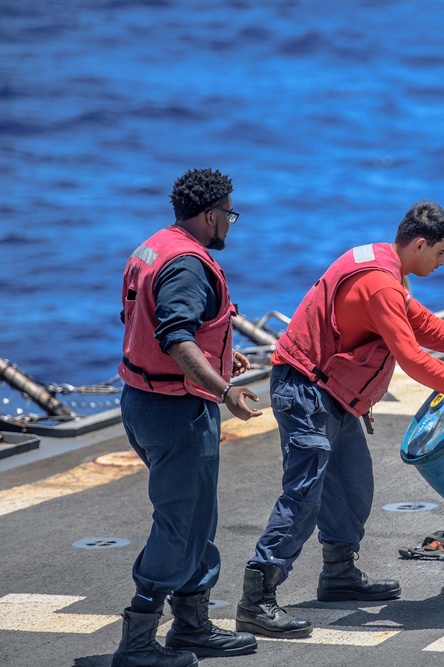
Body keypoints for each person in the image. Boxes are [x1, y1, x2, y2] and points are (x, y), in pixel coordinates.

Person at [236, 201, 444, 638]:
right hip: (306, 390)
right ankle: (257, 599)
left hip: (330, 391)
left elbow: (418, 322)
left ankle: (339, 576)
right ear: (419, 244)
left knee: (352, 485)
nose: (443, 263)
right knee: (305, 495)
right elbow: (414, 359)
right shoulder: (382, 284)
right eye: (440, 253)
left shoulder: (384, 263)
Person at [114, 168, 262, 666]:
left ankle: (193, 626)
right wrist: (225, 390)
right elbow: (174, 336)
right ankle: (136, 644)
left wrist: (222, 354)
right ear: (209, 214)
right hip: (176, 410)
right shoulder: (188, 265)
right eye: (228, 215)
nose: (230, 224)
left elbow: (147, 319)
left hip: (143, 401)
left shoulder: (154, 246)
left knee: (196, 517)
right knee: (179, 525)